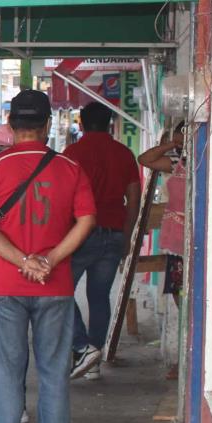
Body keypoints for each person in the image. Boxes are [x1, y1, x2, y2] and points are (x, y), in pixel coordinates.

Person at [0, 90, 96, 423]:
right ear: (47, 125)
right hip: (55, 286)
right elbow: (87, 220)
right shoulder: (70, 169)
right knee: (54, 371)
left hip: (4, 286)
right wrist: (50, 260)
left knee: (7, 372)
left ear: (10, 126)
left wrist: (22, 261)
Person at [63, 102, 143, 380]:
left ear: (82, 124)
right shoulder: (124, 154)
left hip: (78, 234)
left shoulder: (73, 153)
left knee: (60, 293)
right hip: (113, 233)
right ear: (110, 123)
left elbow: (62, 199)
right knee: (99, 297)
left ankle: (83, 347)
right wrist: (128, 234)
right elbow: (134, 199)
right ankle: (93, 360)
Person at [139, 123, 187, 305]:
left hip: (200, 232)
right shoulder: (176, 161)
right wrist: (171, 145)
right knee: (178, 285)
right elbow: (144, 159)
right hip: (176, 235)